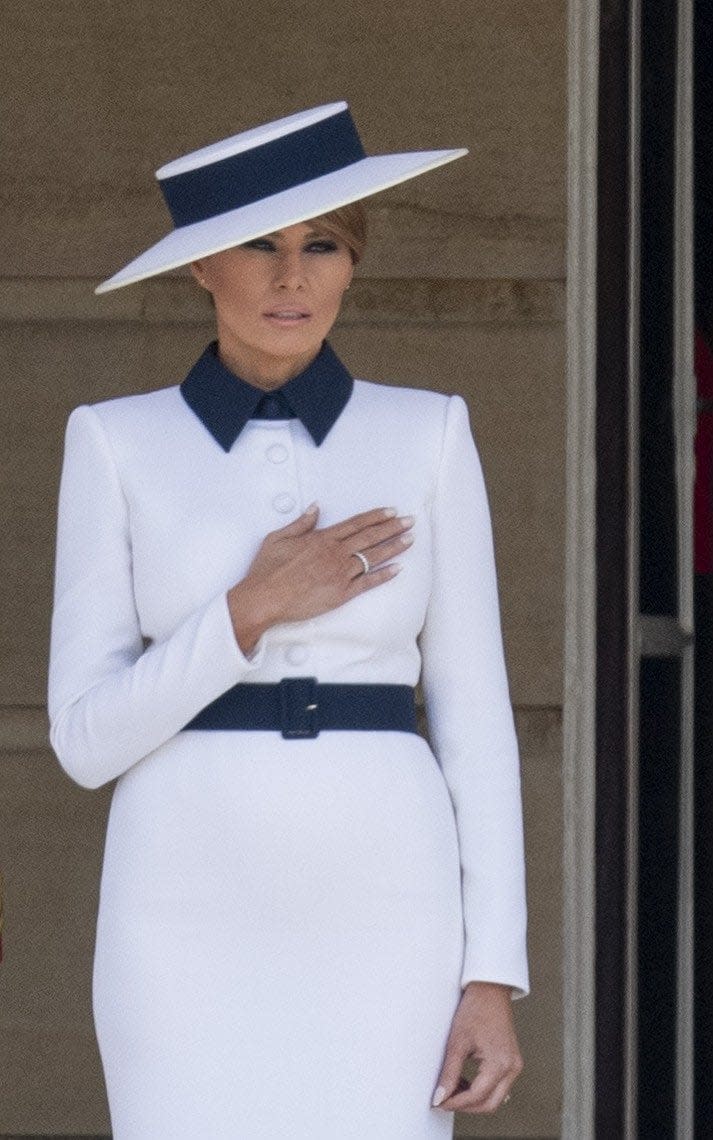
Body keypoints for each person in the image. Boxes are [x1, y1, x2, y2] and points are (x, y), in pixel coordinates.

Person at [48, 101, 528, 1140]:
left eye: (321, 246)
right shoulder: (113, 444)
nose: (290, 277)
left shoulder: (428, 431)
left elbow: (475, 716)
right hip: (179, 898)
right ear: (198, 269)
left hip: (386, 896)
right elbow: (85, 743)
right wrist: (250, 608)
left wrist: (491, 971)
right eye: (255, 248)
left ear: (352, 265)